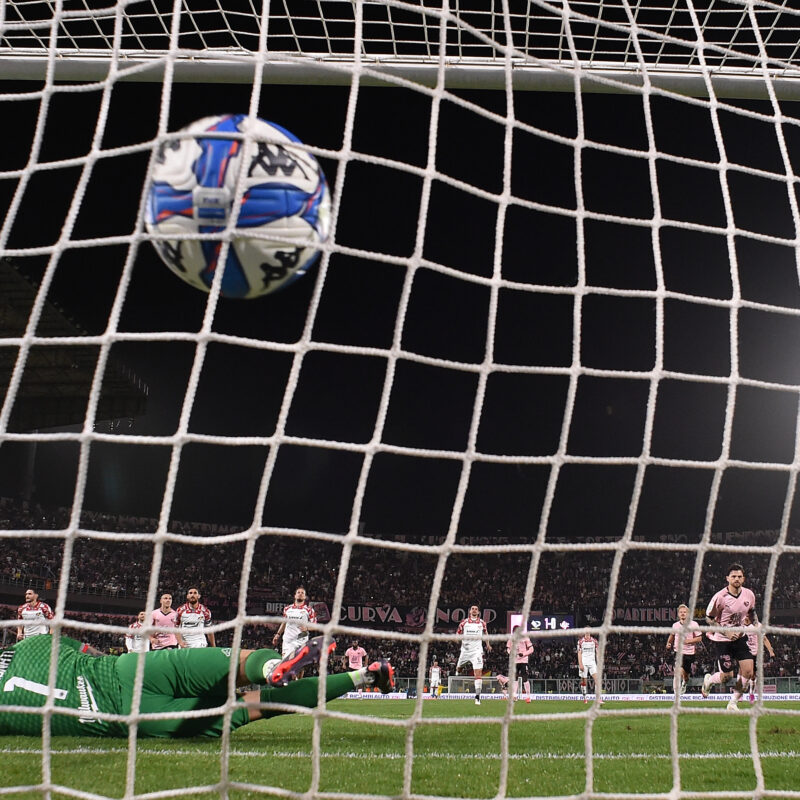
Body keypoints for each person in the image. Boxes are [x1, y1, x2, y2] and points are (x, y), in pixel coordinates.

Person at [0, 634, 394, 738]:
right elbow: (87, 650)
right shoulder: (31, 644)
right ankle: (275, 664)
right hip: (130, 669)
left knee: (258, 705)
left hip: (129, 717)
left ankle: (367, 676)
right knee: (239, 664)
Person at [700, 563, 758, 711]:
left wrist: (754, 624)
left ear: (743, 579)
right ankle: (709, 680)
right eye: (733, 576)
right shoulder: (720, 597)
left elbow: (751, 612)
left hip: (740, 638)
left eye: (739, 576)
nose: (736, 579)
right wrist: (726, 632)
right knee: (726, 677)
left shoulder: (749, 595)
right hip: (723, 640)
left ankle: (733, 703)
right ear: (727, 578)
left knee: (748, 671)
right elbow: (708, 618)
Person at [272, 586, 316, 678]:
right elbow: (284, 623)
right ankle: (290, 684)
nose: (300, 594)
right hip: (288, 641)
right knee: (287, 664)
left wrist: (307, 628)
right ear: (295, 596)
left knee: (300, 665)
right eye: (298, 592)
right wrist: (278, 634)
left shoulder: (309, 610)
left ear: (304, 597)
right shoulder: (287, 609)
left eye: (302, 593)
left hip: (301, 640)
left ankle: (297, 683)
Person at [456, 605, 492, 705]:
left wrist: (488, 644)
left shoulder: (482, 623)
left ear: (479, 612)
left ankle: (477, 697)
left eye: (476, 609)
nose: (474, 610)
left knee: (478, 673)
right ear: (470, 611)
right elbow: (458, 633)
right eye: (473, 609)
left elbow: (486, 633)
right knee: (459, 668)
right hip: (465, 651)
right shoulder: (464, 622)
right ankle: (459, 669)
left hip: (477, 651)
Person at [665, 604, 702, 696]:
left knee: (685, 675)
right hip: (678, 651)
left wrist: (688, 641)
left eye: (684, 612)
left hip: (689, 652)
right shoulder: (675, 625)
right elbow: (672, 635)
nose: (682, 614)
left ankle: (685, 683)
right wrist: (669, 643)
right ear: (678, 614)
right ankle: (676, 693)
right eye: (681, 612)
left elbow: (699, 638)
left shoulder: (694, 624)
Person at [740, 613, 775, 703]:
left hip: (756, 653)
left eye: (748, 616)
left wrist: (770, 651)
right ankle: (739, 693)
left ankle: (751, 693)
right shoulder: (740, 625)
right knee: (742, 672)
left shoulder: (758, 626)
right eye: (745, 616)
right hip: (745, 652)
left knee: (753, 676)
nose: (746, 618)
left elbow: (764, 639)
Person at [506, 625, 534, 703]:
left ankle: (528, 696)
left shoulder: (525, 638)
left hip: (523, 660)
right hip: (515, 661)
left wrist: (524, 654)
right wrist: (510, 653)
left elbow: (531, 649)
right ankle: (514, 696)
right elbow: (508, 648)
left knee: (525, 678)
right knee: (514, 678)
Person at [577, 629, 603, 704]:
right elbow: (579, 653)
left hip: (592, 663)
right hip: (584, 663)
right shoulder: (580, 642)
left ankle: (598, 699)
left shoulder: (594, 641)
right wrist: (580, 664)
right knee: (584, 681)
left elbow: (597, 652)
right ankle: (585, 698)